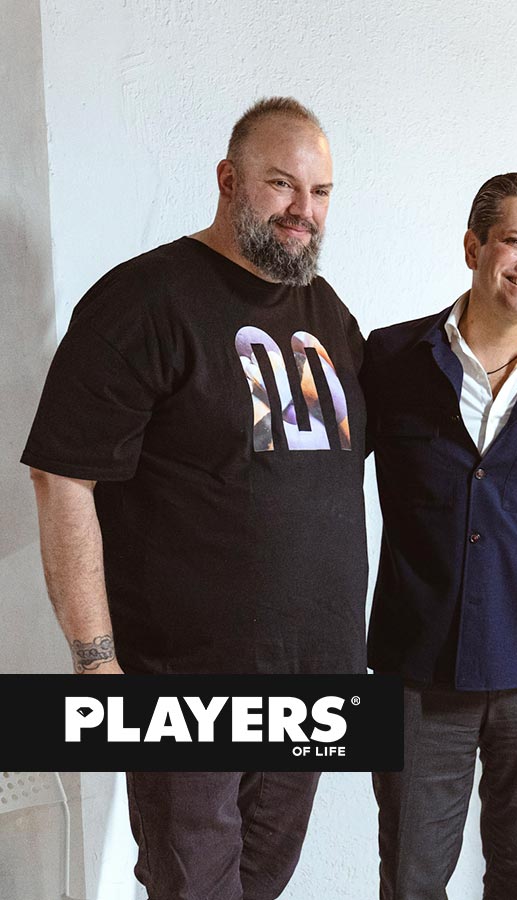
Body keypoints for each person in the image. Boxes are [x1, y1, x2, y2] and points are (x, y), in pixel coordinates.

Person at [22, 97, 366, 900]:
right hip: (184, 674)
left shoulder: (327, 313)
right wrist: (96, 660)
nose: (303, 209)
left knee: (264, 879)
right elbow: (62, 476)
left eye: (319, 192)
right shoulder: (145, 299)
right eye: (281, 184)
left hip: (316, 671)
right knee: (194, 885)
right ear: (228, 179)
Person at [362, 172, 517, 900]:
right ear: (474, 247)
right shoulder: (390, 358)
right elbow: (318, 483)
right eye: (515, 242)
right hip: (417, 671)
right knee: (411, 878)